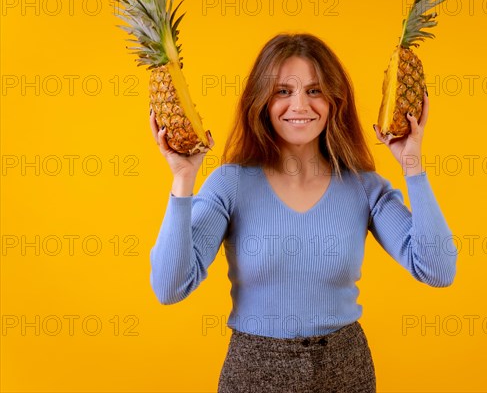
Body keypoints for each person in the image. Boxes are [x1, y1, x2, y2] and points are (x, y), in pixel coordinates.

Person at [149, 33, 457, 393]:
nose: (299, 105)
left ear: (334, 101)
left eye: (314, 90)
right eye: (283, 91)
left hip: (345, 370)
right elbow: (170, 287)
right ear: (261, 100)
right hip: (255, 372)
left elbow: (437, 269)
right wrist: (184, 178)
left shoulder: (363, 187)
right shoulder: (229, 185)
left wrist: (412, 164)